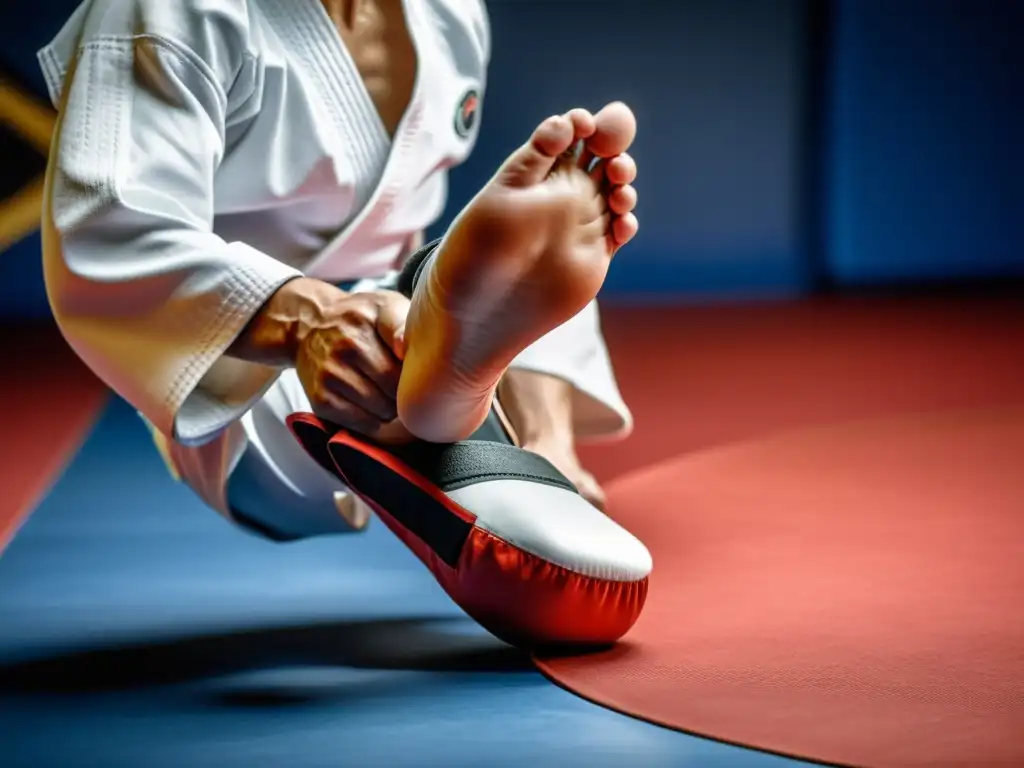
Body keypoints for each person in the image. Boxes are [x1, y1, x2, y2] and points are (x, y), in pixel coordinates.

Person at [38, 0, 640, 542]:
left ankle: (541, 447)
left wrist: (412, 302)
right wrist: (309, 322)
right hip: (253, 370)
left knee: (518, 276)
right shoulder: (164, 11)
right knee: (400, 339)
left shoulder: (451, 12)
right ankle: (457, 420)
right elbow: (108, 228)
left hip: (400, 302)